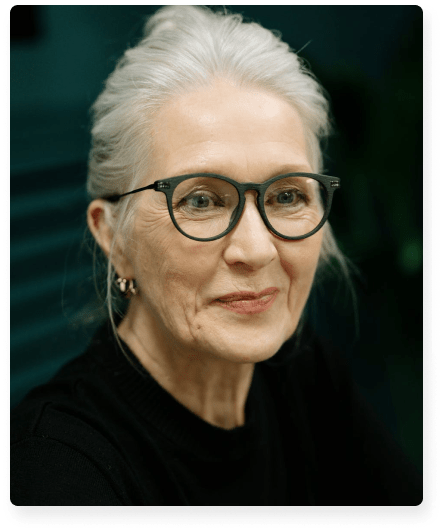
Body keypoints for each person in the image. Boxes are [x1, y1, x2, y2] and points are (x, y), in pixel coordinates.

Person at [9, 5, 423, 513]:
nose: (256, 249)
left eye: (287, 195)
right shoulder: (56, 471)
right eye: (201, 200)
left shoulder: (302, 372)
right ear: (114, 237)